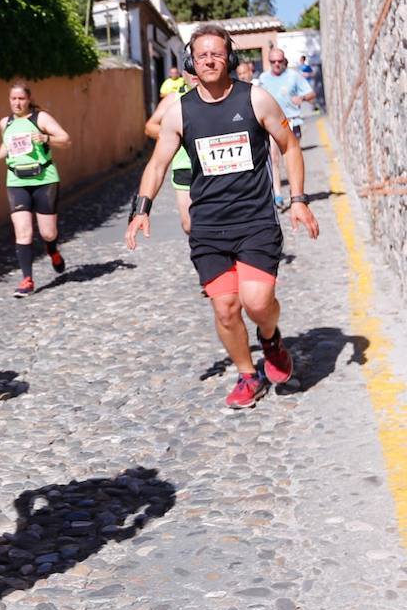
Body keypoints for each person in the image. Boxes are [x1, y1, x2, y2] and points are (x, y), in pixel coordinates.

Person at [126, 23, 319, 409]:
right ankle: (248, 375)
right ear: (191, 63)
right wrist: (142, 208)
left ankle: (270, 338)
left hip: (255, 220)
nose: (210, 60)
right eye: (202, 55)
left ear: (229, 57)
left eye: (217, 53)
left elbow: (291, 145)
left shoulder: (256, 99)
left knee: (258, 301)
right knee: (226, 308)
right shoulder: (180, 112)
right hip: (209, 226)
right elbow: (158, 162)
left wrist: (298, 199)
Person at [0, 83, 71, 297]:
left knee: (48, 232)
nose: (17, 103)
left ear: (29, 99)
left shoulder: (40, 118)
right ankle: (27, 280)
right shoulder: (5, 123)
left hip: (44, 180)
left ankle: (52, 250)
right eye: (13, 99)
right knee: (23, 231)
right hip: (16, 181)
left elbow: (66, 139)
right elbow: (6, 144)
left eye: (21, 99)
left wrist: (45, 138)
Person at [258, 48, 316, 207]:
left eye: (279, 61)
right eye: (273, 61)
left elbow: (312, 94)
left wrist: (302, 97)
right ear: (269, 62)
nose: (276, 64)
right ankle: (277, 194)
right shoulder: (263, 78)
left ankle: (295, 192)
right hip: (272, 124)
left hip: (291, 121)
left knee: (292, 157)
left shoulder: (294, 76)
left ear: (284, 61)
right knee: (273, 158)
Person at [144, 70, 197, 233]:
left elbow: (280, 120)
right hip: (184, 166)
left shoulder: (223, 96)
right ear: (183, 73)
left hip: (217, 166)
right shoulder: (174, 99)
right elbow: (150, 126)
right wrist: (175, 133)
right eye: (190, 67)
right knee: (189, 224)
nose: (194, 72)